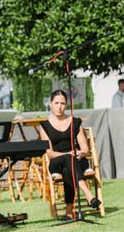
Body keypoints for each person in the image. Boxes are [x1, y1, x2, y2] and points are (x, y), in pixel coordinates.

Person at [39, 90, 102, 220]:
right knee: (68, 158)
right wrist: (69, 154)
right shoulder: (44, 125)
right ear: (50, 104)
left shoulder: (75, 122)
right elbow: (50, 153)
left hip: (76, 161)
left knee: (69, 169)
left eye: (62, 103)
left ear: (66, 105)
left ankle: (69, 213)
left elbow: (85, 148)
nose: (59, 106)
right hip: (56, 162)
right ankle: (88, 195)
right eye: (56, 103)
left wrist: (81, 152)